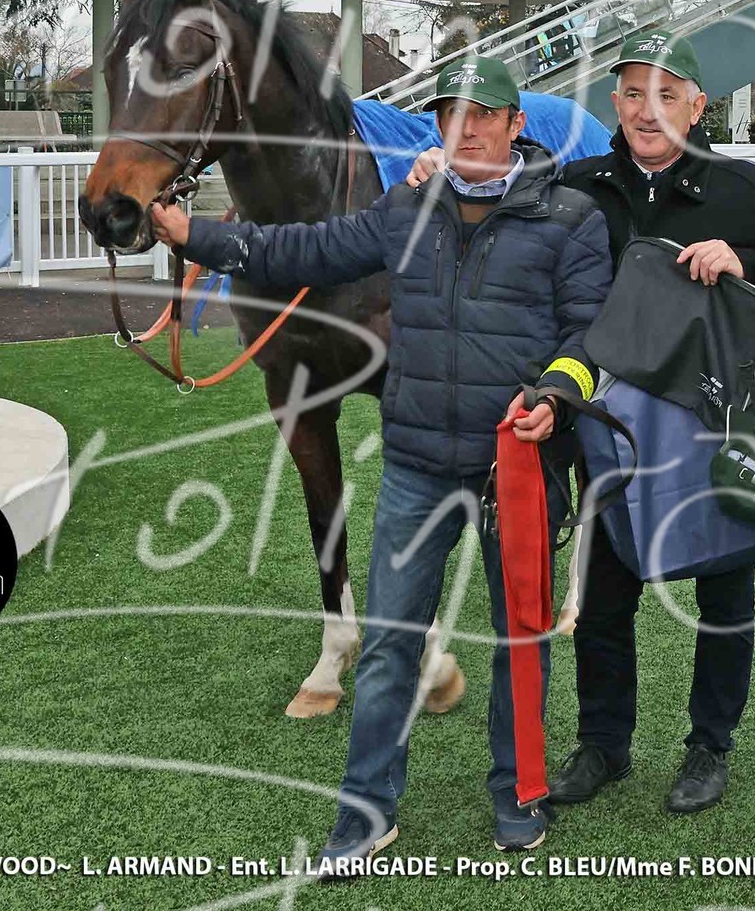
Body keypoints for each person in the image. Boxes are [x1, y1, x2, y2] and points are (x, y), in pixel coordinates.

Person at [150, 55, 613, 859]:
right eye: (452, 115)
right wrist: (200, 237)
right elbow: (303, 250)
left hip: (516, 464)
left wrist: (556, 393)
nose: (466, 130)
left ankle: (519, 793)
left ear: (516, 125)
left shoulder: (573, 218)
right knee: (392, 645)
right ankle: (367, 807)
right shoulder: (405, 207)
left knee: (520, 641)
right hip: (417, 466)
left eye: (484, 115)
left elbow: (587, 333)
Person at [407, 29, 755, 815]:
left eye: (666, 94)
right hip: (605, 426)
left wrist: (746, 261)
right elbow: (496, 202)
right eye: (632, 93)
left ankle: (709, 744)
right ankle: (604, 742)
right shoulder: (574, 184)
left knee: (725, 589)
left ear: (698, 104)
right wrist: (435, 174)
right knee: (605, 593)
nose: (647, 111)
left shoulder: (751, 189)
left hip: (708, 420)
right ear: (614, 102)